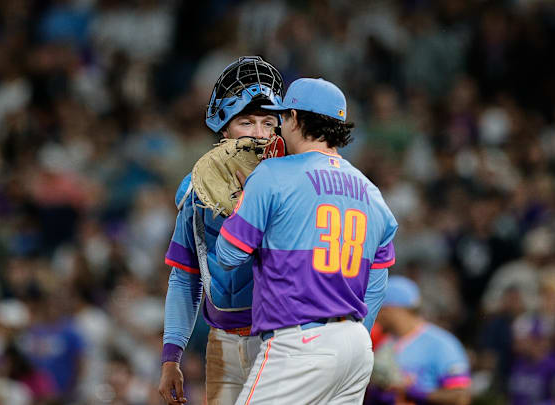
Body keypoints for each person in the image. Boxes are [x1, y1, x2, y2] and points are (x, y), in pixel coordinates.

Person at [216, 77, 398, 404]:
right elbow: (377, 283)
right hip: (356, 345)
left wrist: (244, 194)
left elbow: (228, 255)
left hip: (299, 341)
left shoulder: (273, 175)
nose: (280, 126)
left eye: (283, 117)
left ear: (296, 118)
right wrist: (348, 333)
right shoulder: (372, 192)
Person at [158, 56, 284, 405]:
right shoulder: (197, 194)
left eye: (268, 122)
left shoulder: (297, 190)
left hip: (281, 342)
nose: (259, 133)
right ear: (224, 129)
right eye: (246, 121)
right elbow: (184, 279)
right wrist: (171, 357)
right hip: (222, 342)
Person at [366, 276, 471, 405]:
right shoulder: (383, 342)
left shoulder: (441, 343)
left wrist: (413, 392)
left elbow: (461, 397)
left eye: (378, 309)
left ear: (391, 309)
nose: (374, 315)